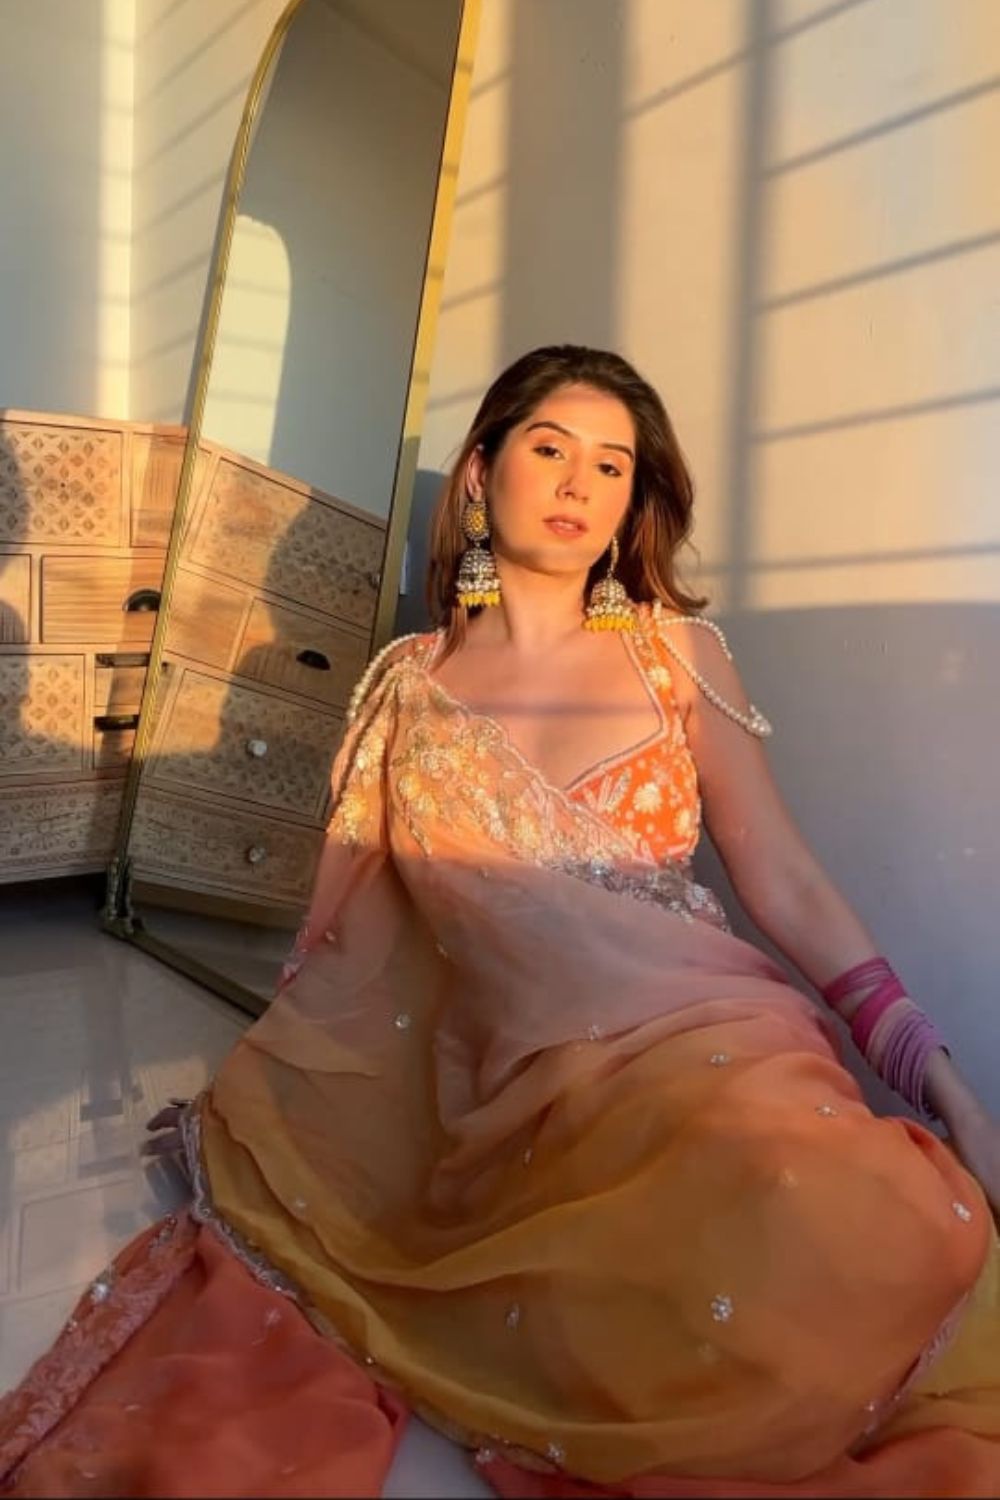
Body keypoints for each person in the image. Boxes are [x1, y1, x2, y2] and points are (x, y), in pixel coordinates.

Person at [2, 344, 999, 1498]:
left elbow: (785, 883)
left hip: (713, 1048)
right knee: (688, 1306)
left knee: (856, 1221)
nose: (580, 483)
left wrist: (943, 1086)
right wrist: (265, 1126)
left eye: (612, 465)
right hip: (508, 1099)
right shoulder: (408, 689)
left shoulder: (675, 657)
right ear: (480, 474)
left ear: (633, 500)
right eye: (550, 448)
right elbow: (349, 950)